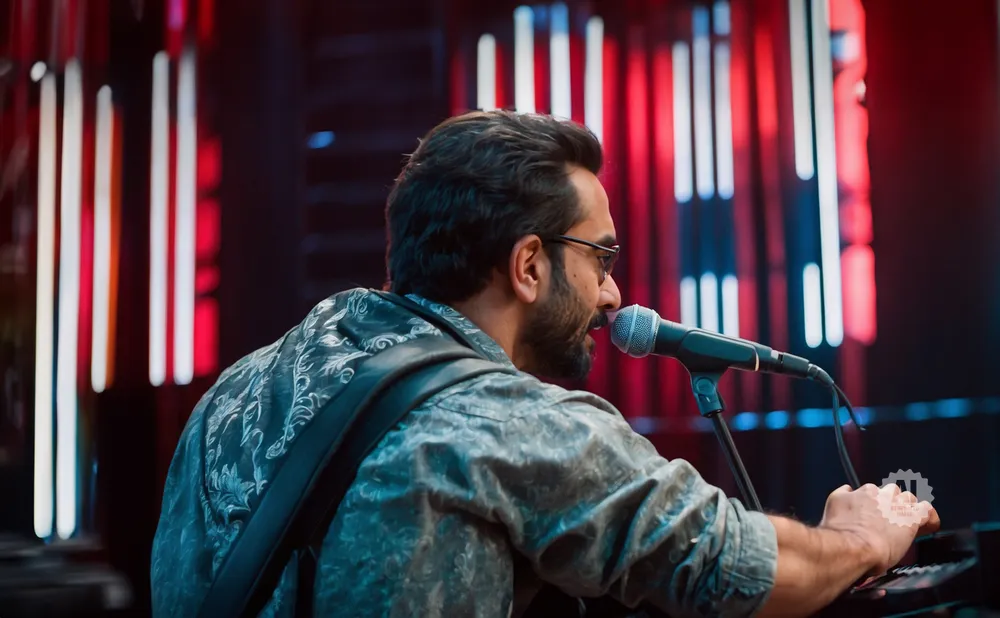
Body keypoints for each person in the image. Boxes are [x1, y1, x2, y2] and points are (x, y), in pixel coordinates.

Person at [150, 110, 939, 617]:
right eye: (601, 257)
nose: (614, 293)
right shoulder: (508, 424)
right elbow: (736, 566)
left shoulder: (235, 392)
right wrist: (862, 538)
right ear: (528, 265)